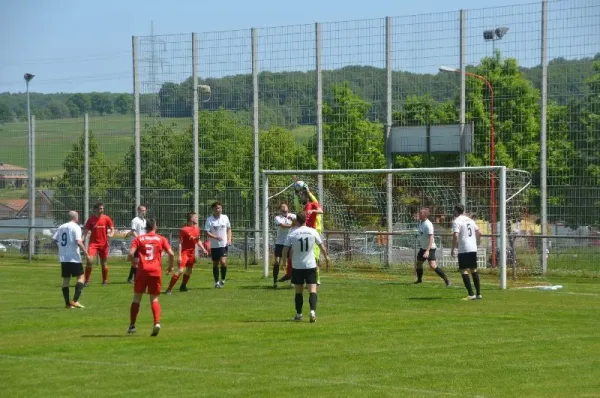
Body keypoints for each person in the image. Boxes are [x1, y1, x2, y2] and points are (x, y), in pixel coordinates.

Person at [127, 218, 174, 336]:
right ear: (155, 227)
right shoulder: (161, 239)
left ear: (145, 227)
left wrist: (133, 263)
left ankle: (132, 326)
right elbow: (171, 254)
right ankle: (156, 323)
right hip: (156, 271)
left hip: (142, 271)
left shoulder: (139, 239)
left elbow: (131, 254)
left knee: (137, 298)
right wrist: (170, 266)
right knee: (154, 299)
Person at [282, 212, 329, 323]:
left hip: (297, 266)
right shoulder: (313, 231)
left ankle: (299, 314)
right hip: (310, 265)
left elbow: (285, 250)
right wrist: (326, 258)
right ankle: (312, 311)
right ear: (305, 220)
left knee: (298, 291)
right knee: (312, 290)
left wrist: (283, 262)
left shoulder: (292, 233)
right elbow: (321, 246)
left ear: (297, 220)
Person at [165, 212, 208, 294]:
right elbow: (180, 243)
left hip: (192, 253)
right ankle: (169, 289)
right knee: (180, 270)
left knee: (189, 270)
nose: (197, 219)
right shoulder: (184, 230)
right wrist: (180, 256)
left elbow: (197, 240)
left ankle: (183, 286)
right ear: (191, 219)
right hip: (184, 253)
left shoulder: (197, 228)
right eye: (196, 217)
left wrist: (203, 249)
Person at [53, 211, 89, 309]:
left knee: (65, 281)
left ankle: (67, 304)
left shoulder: (61, 227)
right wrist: (86, 252)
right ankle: (75, 301)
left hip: (64, 257)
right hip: (74, 257)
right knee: (81, 278)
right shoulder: (76, 227)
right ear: (76, 218)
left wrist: (61, 248)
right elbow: (78, 241)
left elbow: (55, 239)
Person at [451, 204, 482, 300]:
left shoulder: (457, 221)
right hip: (473, 247)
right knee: (473, 269)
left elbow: (456, 236)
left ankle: (471, 294)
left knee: (463, 270)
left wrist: (453, 248)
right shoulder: (470, 220)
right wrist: (474, 240)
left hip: (464, 248)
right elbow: (479, 233)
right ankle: (478, 294)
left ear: (456, 211)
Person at [414, 207, 450, 286]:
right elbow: (422, 233)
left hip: (430, 248)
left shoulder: (428, 224)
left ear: (425, 215)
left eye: (420, 213)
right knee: (419, 263)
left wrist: (427, 250)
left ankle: (446, 279)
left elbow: (431, 238)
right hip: (423, 248)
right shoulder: (421, 223)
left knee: (433, 265)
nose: (419, 214)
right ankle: (419, 280)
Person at [83, 201, 114, 286]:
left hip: (103, 244)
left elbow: (112, 228)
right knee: (89, 260)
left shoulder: (106, 218)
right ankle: (87, 281)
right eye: (100, 208)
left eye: (103, 208)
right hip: (93, 244)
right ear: (95, 209)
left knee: (103, 263)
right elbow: (85, 230)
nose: (102, 210)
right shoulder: (91, 219)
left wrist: (111, 234)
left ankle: (105, 281)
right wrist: (82, 238)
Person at [298, 184, 324, 285]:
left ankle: (316, 279)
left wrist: (307, 190)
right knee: (306, 256)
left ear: (307, 196)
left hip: (315, 231)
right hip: (306, 232)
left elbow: (320, 211)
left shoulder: (313, 204)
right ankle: (307, 278)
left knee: (314, 258)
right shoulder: (304, 207)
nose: (302, 197)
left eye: (303, 195)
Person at [204, 202, 232, 288]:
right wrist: (215, 237)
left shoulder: (225, 217)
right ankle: (216, 282)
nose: (219, 210)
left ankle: (223, 280)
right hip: (214, 245)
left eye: (220, 208)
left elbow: (229, 229)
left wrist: (229, 239)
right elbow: (207, 232)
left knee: (223, 262)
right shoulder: (209, 219)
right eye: (217, 208)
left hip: (223, 245)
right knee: (215, 263)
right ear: (213, 210)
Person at [273, 203, 296, 288]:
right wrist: (293, 224)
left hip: (290, 243)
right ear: (280, 209)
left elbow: (300, 222)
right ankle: (275, 281)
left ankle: (292, 281)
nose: (284, 207)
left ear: (288, 208)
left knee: (291, 262)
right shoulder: (277, 218)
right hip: (280, 243)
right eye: (282, 206)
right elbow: (283, 226)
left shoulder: (293, 216)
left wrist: (293, 221)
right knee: (276, 262)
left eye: (285, 206)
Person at [127, 205, 147, 284]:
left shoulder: (145, 220)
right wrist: (139, 239)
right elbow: (133, 231)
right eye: (142, 210)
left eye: (145, 210)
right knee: (136, 261)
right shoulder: (135, 220)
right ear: (138, 211)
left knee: (137, 262)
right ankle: (136, 278)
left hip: (143, 243)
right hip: (137, 243)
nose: (144, 212)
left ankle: (130, 278)